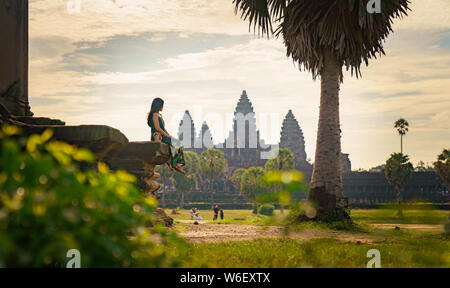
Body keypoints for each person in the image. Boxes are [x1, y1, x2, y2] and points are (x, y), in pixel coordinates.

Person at [147, 98, 185, 174]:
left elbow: (163, 128)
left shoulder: (159, 115)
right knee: (177, 143)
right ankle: (176, 165)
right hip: (157, 135)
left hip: (162, 135)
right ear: (159, 106)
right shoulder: (154, 114)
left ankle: (173, 165)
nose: (163, 107)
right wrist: (166, 136)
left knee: (176, 142)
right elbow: (157, 128)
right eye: (162, 105)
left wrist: (169, 135)